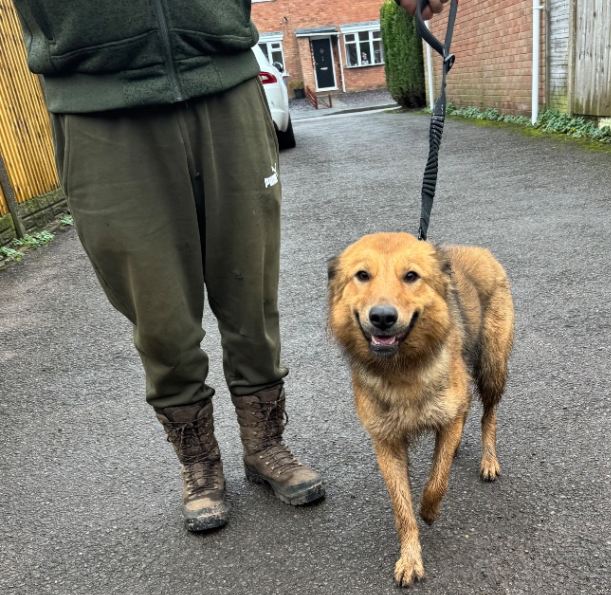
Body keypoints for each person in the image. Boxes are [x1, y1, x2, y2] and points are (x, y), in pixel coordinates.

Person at [11, 0, 445, 532]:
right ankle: (199, 464)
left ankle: (265, 445)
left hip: (223, 79)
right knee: (159, 316)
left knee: (251, 297)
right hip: (97, 99)